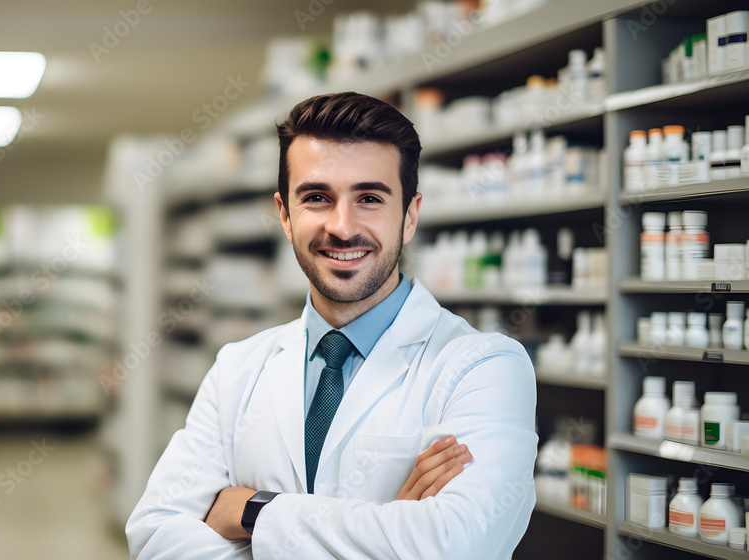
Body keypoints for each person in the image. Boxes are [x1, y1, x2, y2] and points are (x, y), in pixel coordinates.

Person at [126, 92, 537, 559]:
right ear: (284, 215)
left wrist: (252, 512)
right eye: (317, 197)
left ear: (410, 215)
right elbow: (155, 537)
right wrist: (385, 528)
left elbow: (457, 544)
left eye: (369, 198)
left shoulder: (481, 368)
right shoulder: (237, 370)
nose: (342, 227)